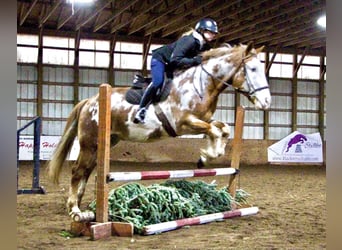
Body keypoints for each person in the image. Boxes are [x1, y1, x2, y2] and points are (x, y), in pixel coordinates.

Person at [133, 17, 219, 124]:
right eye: (210, 32)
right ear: (201, 30)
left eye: (214, 33)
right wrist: (195, 60)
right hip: (161, 60)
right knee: (158, 82)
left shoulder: (204, 46)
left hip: (174, 65)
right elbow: (175, 60)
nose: (213, 35)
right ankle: (141, 110)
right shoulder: (189, 40)